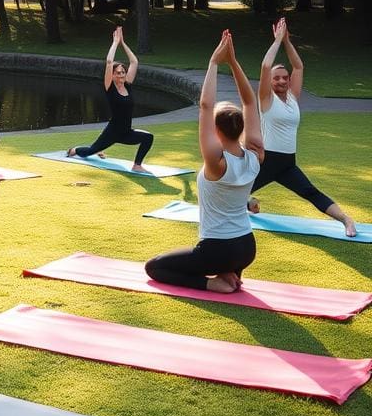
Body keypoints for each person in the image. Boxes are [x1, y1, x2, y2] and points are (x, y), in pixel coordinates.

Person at [145, 30, 264, 293]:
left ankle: (213, 283)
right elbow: (250, 101)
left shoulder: (216, 162)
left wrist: (213, 63)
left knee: (154, 268)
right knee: (217, 258)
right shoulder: (255, 154)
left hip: (218, 250)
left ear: (217, 130)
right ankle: (230, 274)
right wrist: (232, 62)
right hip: (247, 248)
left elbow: (205, 105)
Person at [250, 18, 357, 236]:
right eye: (276, 78)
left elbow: (298, 66)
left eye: (285, 78)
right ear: (269, 82)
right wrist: (277, 40)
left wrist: (287, 41)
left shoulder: (292, 98)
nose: (281, 81)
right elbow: (265, 66)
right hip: (266, 161)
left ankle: (346, 220)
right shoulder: (265, 100)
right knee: (231, 193)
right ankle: (246, 203)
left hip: (288, 162)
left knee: (309, 191)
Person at [67, 26, 153, 172]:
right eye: (118, 73)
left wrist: (123, 43)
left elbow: (134, 62)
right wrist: (115, 42)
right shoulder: (110, 89)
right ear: (112, 75)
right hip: (112, 132)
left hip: (126, 133)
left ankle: (137, 165)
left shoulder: (128, 85)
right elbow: (108, 62)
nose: (121, 75)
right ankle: (74, 150)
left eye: (123, 72)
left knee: (148, 137)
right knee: (89, 151)